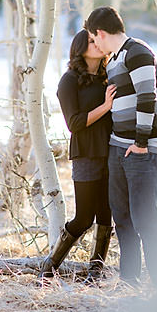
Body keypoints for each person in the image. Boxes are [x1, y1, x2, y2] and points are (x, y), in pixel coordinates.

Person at [84, 6, 157, 290]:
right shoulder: (114, 61)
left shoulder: (137, 51)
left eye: (93, 38)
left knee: (146, 221)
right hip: (118, 147)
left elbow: (147, 96)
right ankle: (129, 282)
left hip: (141, 151)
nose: (95, 44)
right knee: (122, 219)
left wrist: (141, 143)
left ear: (100, 32)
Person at [40, 29, 116, 281]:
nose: (97, 44)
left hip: (111, 150)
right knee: (84, 217)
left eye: (98, 40)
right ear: (79, 47)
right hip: (86, 153)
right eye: (91, 41)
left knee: (106, 213)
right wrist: (105, 107)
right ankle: (49, 267)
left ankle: (96, 270)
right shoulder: (69, 80)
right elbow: (74, 123)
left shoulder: (109, 75)